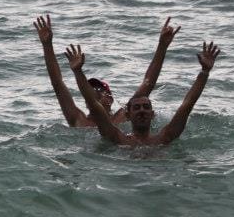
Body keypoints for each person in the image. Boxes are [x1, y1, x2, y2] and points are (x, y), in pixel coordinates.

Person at [33, 14, 180, 128]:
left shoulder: (124, 116)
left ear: (110, 99)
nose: (94, 92)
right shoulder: (79, 120)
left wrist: (162, 46)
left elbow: (148, 83)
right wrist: (47, 45)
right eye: (90, 89)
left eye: (99, 90)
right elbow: (57, 84)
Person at [64, 39, 220, 146]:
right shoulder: (118, 139)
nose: (142, 110)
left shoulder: (165, 138)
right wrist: (78, 72)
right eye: (137, 108)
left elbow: (187, 104)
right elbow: (93, 103)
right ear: (128, 114)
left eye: (146, 107)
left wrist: (205, 72)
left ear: (152, 114)